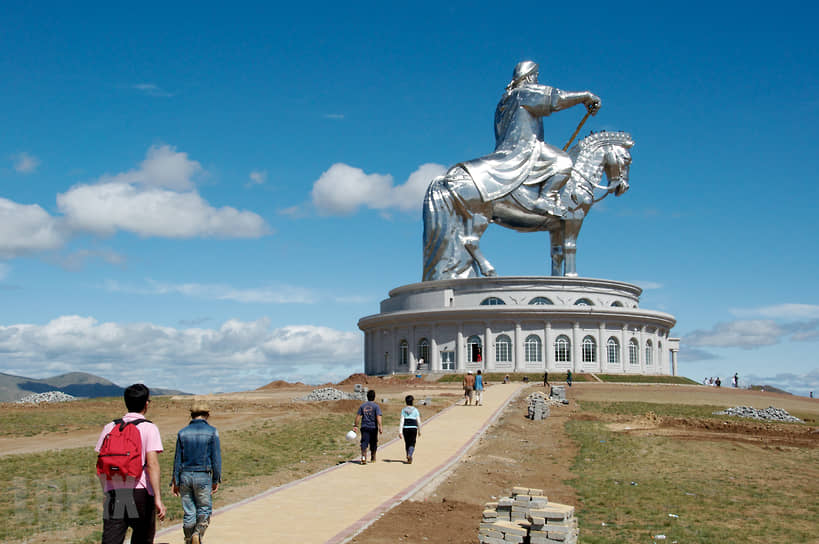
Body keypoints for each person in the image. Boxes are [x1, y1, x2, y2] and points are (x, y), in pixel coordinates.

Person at [459, 60, 601, 215]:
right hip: (525, 147)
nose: (536, 79)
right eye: (535, 75)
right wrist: (585, 96)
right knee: (564, 162)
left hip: (504, 149)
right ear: (527, 76)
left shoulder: (505, 100)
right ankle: (546, 199)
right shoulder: (525, 93)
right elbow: (556, 99)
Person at [95, 383, 166, 544]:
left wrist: (107, 491)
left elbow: (102, 463)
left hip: (115, 492)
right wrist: (158, 499)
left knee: (111, 539)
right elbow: (152, 464)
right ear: (146, 404)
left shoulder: (110, 427)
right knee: (143, 538)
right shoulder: (149, 428)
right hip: (140, 493)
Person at [172, 399, 222, 544]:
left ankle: (188, 539)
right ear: (207, 414)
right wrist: (216, 479)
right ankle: (198, 533)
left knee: (189, 511)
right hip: (203, 475)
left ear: (192, 415)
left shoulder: (182, 433)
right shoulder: (212, 432)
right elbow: (216, 459)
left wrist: (175, 480)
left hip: (185, 475)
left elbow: (177, 459)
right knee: (204, 509)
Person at [353, 390, 382, 464]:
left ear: (367, 396)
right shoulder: (376, 406)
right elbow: (378, 416)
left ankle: (363, 457)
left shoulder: (362, 406)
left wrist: (355, 426)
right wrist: (380, 426)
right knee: (373, 442)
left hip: (364, 427)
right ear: (374, 397)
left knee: (364, 442)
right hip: (373, 427)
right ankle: (373, 457)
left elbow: (358, 416)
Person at [399, 395, 422, 464]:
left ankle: (408, 456)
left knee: (407, 443)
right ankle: (410, 454)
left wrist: (400, 432)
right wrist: (419, 430)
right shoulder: (415, 410)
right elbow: (418, 421)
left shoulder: (403, 410)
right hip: (413, 428)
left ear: (406, 402)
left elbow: (402, 421)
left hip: (405, 428)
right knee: (412, 443)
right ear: (413, 401)